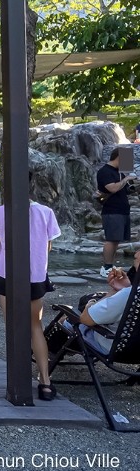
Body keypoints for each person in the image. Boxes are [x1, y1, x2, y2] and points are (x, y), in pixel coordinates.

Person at [0, 188, 61, 401]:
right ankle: (45, 382)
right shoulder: (46, 212)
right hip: (35, 275)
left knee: (14, 327)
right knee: (36, 326)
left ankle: (18, 379)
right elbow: (48, 246)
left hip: (6, 273)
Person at [77, 248, 140, 354]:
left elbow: (86, 319)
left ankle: (47, 353)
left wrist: (90, 303)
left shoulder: (132, 294)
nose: (136, 254)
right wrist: (124, 288)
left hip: (119, 349)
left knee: (70, 318)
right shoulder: (131, 293)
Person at [96, 147, 137, 278]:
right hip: (112, 210)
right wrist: (125, 180)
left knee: (116, 240)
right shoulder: (105, 171)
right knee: (111, 239)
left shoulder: (120, 172)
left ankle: (111, 265)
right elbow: (112, 188)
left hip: (123, 210)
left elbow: (125, 190)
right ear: (119, 157)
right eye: (126, 159)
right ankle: (106, 267)